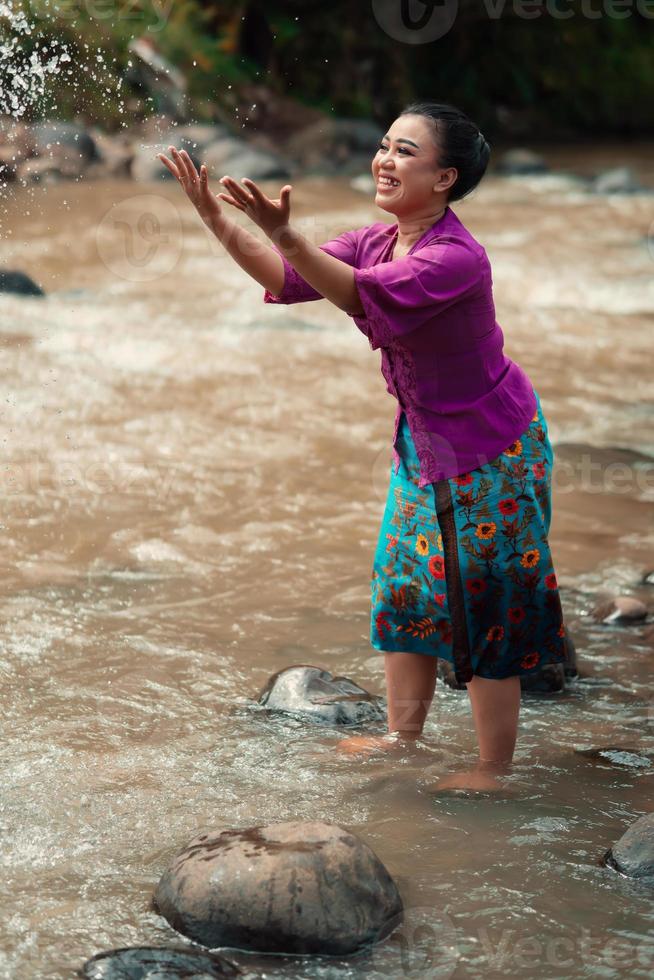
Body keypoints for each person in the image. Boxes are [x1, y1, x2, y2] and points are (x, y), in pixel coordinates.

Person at [157, 100, 568, 791]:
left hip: (491, 453)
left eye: (406, 151)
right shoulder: (382, 238)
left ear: (445, 178)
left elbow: (349, 295)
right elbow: (289, 279)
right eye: (384, 145)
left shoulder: (454, 259)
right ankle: (402, 738)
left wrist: (288, 236)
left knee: (486, 605)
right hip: (424, 446)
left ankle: (494, 768)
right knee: (404, 589)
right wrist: (217, 218)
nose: (384, 159)